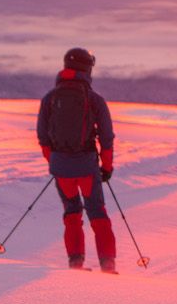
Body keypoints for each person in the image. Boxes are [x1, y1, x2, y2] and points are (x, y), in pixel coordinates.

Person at [36, 47, 117, 272]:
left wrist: (55, 162)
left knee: (71, 214)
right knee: (97, 213)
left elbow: (43, 137)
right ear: (88, 68)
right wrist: (106, 167)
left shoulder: (50, 99)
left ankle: (75, 263)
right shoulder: (94, 100)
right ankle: (108, 265)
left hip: (62, 169)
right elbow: (107, 137)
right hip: (86, 166)